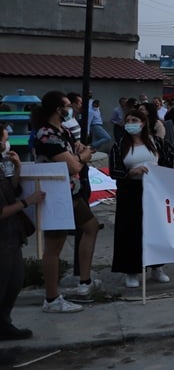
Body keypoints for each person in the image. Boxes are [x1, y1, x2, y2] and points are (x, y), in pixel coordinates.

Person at [32, 91, 101, 312]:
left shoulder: (63, 131)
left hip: (72, 192)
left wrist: (78, 149)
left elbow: (71, 153)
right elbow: (73, 166)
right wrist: (84, 156)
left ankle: (85, 281)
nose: (70, 108)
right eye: (66, 105)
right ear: (56, 109)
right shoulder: (47, 134)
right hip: (56, 195)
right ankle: (51, 298)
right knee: (55, 245)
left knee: (90, 227)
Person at [109, 109, 174, 287]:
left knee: (155, 230)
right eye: (128, 120)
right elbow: (114, 170)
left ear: (143, 122)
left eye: (134, 119)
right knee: (130, 231)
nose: (131, 123)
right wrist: (131, 172)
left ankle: (157, 268)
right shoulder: (119, 145)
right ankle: (131, 271)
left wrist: (163, 173)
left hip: (153, 193)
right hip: (130, 193)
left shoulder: (155, 142)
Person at [0, 134, 46, 339]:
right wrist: (28, 202)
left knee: (14, 281)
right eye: (4, 138)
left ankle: (4, 323)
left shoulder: (3, 164)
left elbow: (11, 189)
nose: (6, 143)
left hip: (12, 235)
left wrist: (17, 168)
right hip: (3, 236)